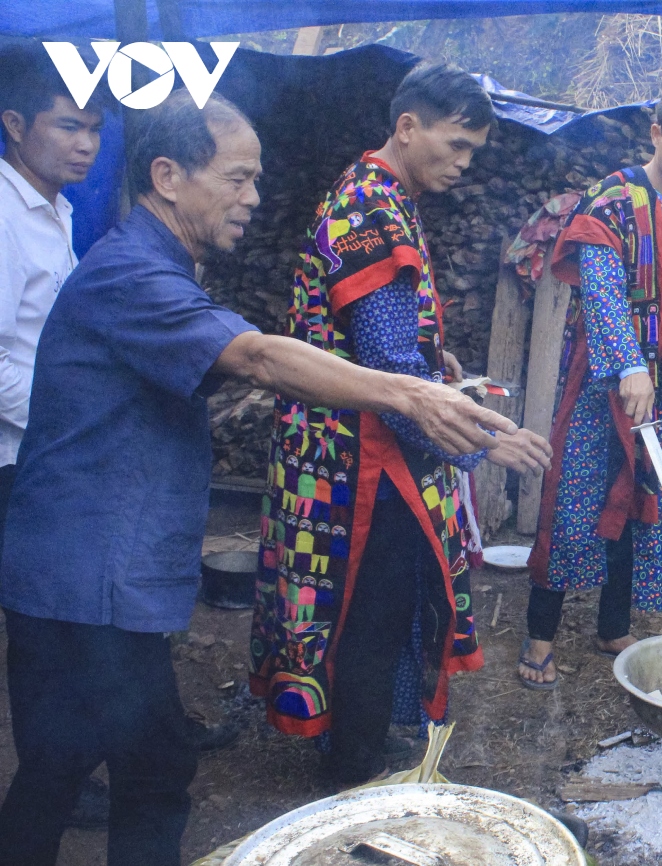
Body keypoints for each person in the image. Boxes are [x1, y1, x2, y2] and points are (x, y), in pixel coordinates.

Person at [0, 89, 537, 866]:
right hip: (85, 573)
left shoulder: (152, 262)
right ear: (167, 175)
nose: (255, 198)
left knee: (58, 767)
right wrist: (407, 389)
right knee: (150, 769)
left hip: (82, 565)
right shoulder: (131, 275)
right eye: (239, 178)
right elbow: (254, 355)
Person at [248, 64, 551, 784]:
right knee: (370, 617)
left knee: (365, 612)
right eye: (456, 145)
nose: (464, 164)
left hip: (344, 449)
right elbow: (388, 365)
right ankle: (352, 776)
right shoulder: (375, 213)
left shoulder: (376, 191)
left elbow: (383, 339)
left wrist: (430, 354)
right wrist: (486, 442)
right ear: (407, 127)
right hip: (365, 465)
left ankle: (355, 747)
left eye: (475, 152)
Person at [520, 86, 662, 689]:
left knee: (645, 499)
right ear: (656, 133)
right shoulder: (612, 199)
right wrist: (626, 367)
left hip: (661, 386)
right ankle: (540, 637)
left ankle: (613, 624)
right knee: (575, 497)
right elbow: (602, 289)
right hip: (598, 382)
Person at [0, 45, 103, 554]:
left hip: (39, 448)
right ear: (15, 126)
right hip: (14, 455)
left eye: (94, 129)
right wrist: (58, 423)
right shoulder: (4, 217)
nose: (86, 145)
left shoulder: (55, 208)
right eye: (68, 127)